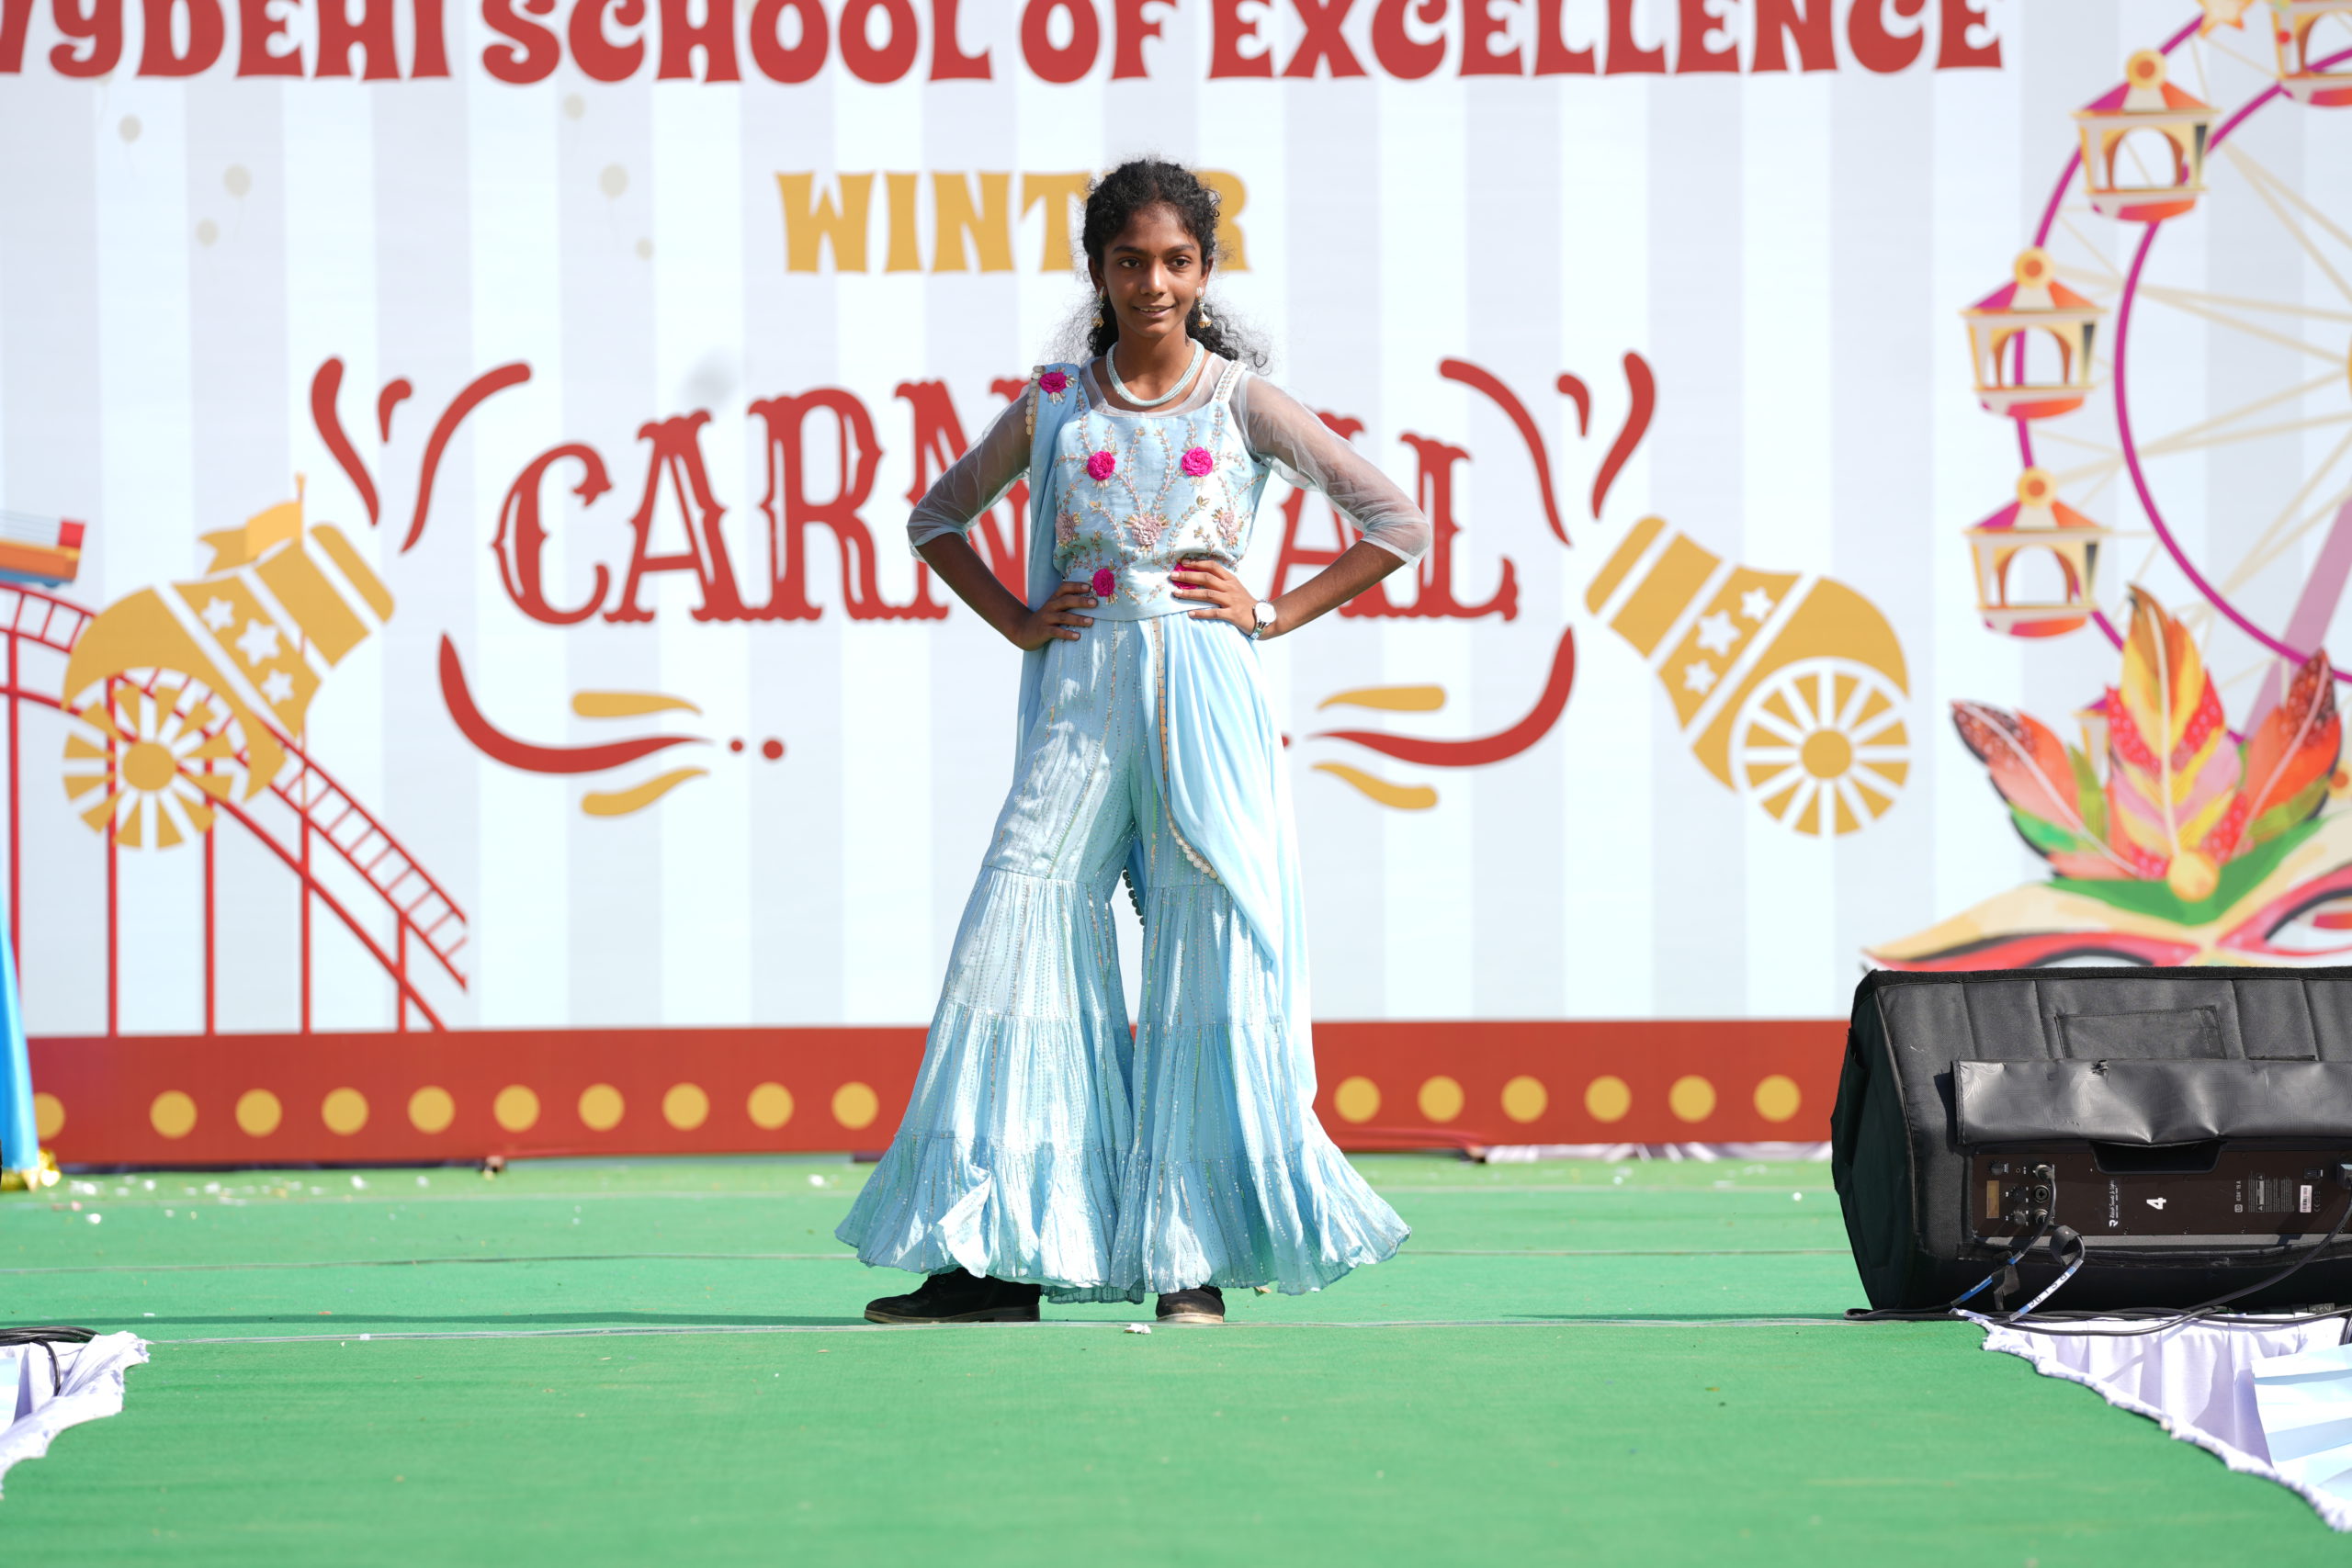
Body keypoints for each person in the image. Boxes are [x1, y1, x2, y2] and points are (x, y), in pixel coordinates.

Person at [836, 159, 1428, 1325]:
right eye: (1129, 261)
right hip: (1081, 693)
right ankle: (995, 1259)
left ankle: (1188, 1259)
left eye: (1175, 261)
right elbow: (936, 518)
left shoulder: (1243, 401)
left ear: (1204, 271)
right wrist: (1018, 619)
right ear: (1097, 273)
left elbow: (1395, 521)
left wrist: (1271, 610)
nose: (1153, 282)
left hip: (1204, 697)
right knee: (1018, 928)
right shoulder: (1055, 403)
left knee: (1207, 948)